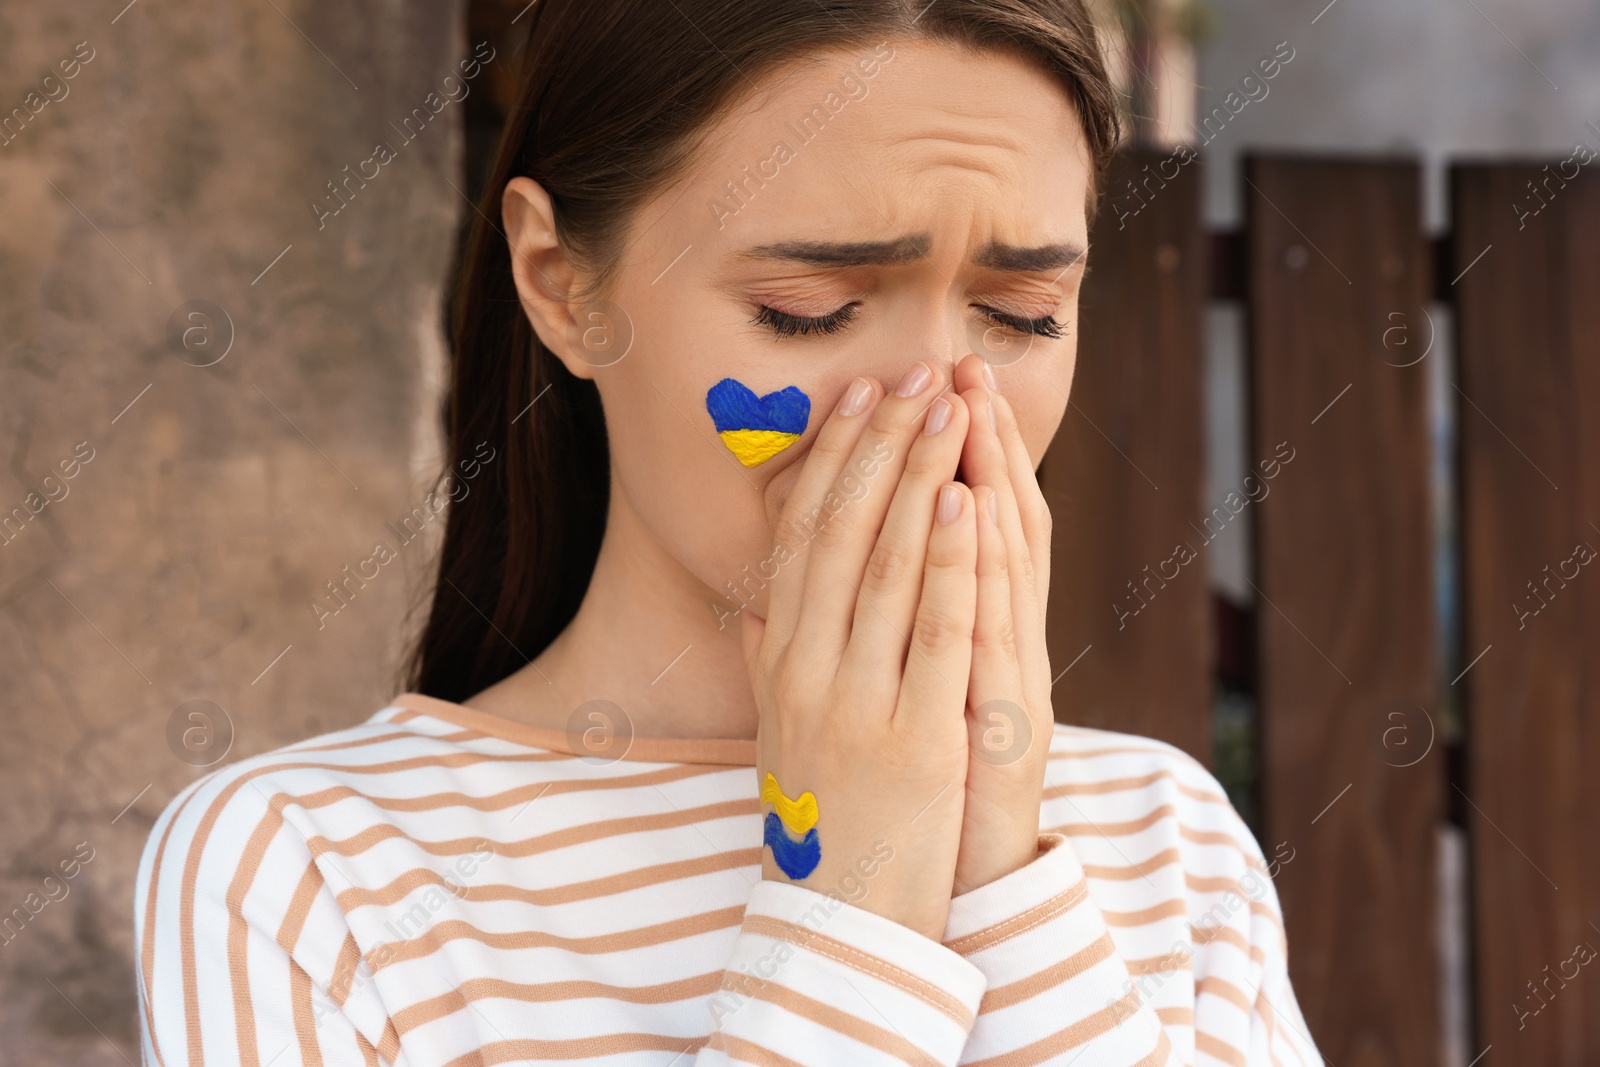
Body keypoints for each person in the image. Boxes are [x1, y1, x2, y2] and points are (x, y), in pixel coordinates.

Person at [135, 1, 1324, 1063]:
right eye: (803, 313)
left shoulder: (1167, 841)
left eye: (1019, 315)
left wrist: (1001, 874)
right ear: (561, 284)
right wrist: (850, 895)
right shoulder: (302, 876)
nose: (931, 404)